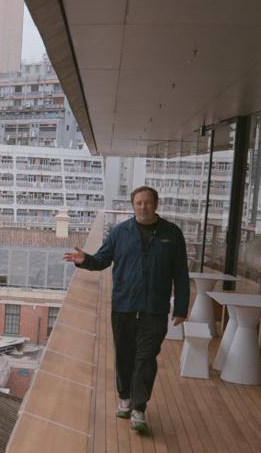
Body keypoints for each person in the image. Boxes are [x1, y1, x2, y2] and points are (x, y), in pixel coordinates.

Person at [62, 186, 189, 434]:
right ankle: (125, 397)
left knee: (146, 357)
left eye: (148, 203)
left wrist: (181, 306)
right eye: (139, 203)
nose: (143, 207)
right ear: (133, 206)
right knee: (124, 354)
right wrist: (85, 260)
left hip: (155, 307)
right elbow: (102, 260)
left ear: (156, 204)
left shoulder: (172, 234)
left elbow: (181, 274)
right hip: (124, 305)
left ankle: (139, 408)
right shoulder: (120, 233)